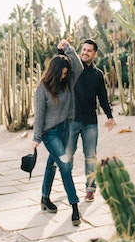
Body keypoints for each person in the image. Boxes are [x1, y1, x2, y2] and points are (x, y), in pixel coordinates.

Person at [31, 39, 84, 226]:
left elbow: (78, 67)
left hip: (66, 128)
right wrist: (36, 138)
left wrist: (68, 48)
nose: (64, 76)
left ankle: (45, 198)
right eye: (61, 74)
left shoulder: (68, 81)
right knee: (65, 165)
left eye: (65, 74)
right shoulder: (42, 89)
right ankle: (75, 207)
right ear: (54, 72)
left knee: (52, 164)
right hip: (50, 133)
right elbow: (39, 115)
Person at [67, 39, 115, 202]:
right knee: (68, 154)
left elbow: (102, 98)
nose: (85, 52)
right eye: (84, 49)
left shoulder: (98, 75)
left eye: (89, 50)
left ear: (95, 54)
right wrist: (61, 49)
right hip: (72, 120)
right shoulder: (73, 68)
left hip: (90, 122)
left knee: (91, 156)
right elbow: (61, 62)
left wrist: (109, 116)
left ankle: (90, 188)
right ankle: (68, 184)